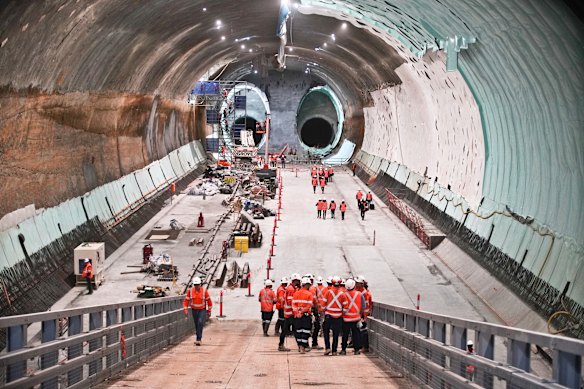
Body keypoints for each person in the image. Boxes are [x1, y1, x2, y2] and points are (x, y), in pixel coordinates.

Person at [183, 277, 213, 346]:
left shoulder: (204, 291)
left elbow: (209, 302)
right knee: (197, 324)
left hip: (202, 310)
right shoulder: (190, 291)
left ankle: (198, 339)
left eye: (198, 285)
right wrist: (185, 309)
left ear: (200, 284)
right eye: (195, 285)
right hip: (194, 310)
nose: (196, 286)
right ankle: (198, 338)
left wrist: (209, 311)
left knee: (200, 322)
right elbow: (186, 301)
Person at [292, 277, 317, 353]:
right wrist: (302, 311)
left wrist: (298, 312)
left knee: (298, 331)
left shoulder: (296, 293)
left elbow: (293, 305)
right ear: (306, 285)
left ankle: (300, 345)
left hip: (297, 316)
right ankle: (303, 346)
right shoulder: (309, 294)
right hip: (306, 316)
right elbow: (309, 306)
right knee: (306, 331)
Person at [340, 278, 365, 355]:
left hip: (345, 318)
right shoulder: (359, 294)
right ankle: (357, 350)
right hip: (356, 318)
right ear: (354, 286)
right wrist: (360, 315)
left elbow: (341, 305)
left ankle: (343, 350)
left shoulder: (343, 294)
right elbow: (363, 306)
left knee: (345, 335)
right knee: (356, 334)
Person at [279, 273, 301, 351]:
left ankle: (281, 345)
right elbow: (290, 301)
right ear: (296, 280)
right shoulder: (291, 289)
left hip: (288, 313)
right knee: (295, 329)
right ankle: (300, 346)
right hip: (290, 313)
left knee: (285, 330)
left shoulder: (291, 288)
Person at [323, 276, 344, 356]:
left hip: (329, 315)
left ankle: (328, 348)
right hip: (338, 316)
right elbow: (345, 306)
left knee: (326, 331)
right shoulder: (342, 294)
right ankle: (334, 350)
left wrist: (324, 310)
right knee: (336, 333)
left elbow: (323, 304)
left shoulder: (328, 292)